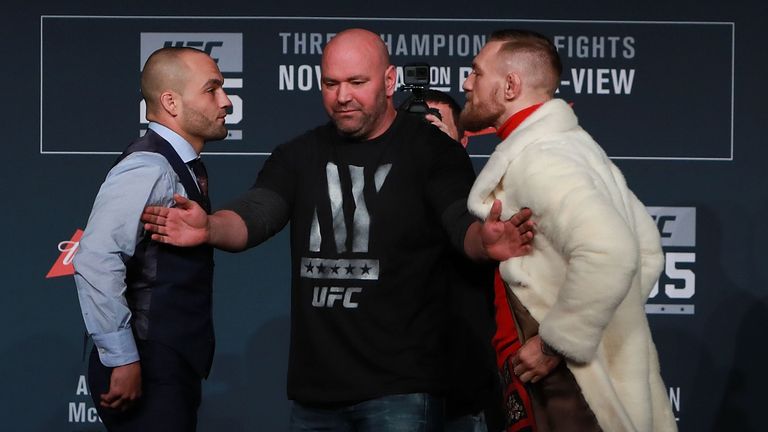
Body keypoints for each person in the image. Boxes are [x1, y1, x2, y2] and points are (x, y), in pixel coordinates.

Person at [141, 28, 534, 431]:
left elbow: (458, 221)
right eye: (331, 83)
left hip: (402, 390)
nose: (342, 95)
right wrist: (209, 227)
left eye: (356, 83)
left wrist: (483, 242)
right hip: (317, 396)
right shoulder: (299, 154)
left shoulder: (431, 150)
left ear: (388, 81)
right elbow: (259, 212)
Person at [460, 29, 677, 431]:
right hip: (574, 383)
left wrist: (556, 342)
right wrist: (605, 326)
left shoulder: (541, 158)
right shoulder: (571, 146)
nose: (467, 83)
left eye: (476, 72)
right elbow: (647, 252)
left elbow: (613, 254)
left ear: (510, 85)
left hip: (571, 390)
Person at [73, 47, 232, 431]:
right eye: (212, 90)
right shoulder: (149, 167)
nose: (226, 102)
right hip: (146, 362)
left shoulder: (180, 165)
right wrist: (123, 359)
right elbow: (95, 258)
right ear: (171, 102)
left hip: (167, 361)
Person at [401, 89, 504, 432]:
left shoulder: (487, 208)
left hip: (462, 392)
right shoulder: (368, 207)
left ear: (462, 141)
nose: (425, 135)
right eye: (415, 127)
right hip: (389, 391)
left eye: (436, 126)